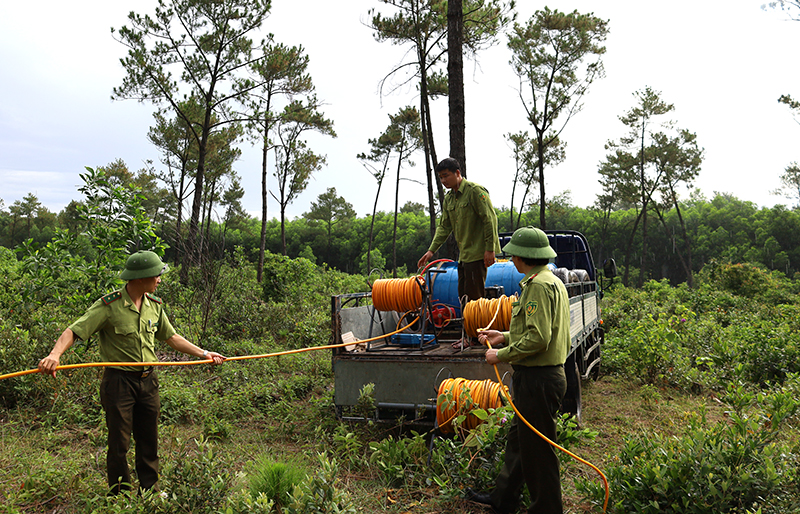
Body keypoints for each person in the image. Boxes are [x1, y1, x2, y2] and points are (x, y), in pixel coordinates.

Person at [38, 250, 225, 494]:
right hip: (118, 383)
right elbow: (73, 331)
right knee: (119, 443)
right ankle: (120, 493)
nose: (159, 279)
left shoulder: (154, 306)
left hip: (149, 382)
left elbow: (171, 337)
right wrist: (55, 355)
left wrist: (203, 353)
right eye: (156, 275)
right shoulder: (108, 306)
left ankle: (149, 490)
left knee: (149, 439)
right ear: (140, 278)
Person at [469, 226, 569, 514]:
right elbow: (535, 331)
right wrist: (504, 335)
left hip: (539, 379)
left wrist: (499, 354)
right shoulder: (550, 280)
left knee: (538, 452)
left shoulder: (537, 286)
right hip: (539, 378)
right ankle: (504, 500)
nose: (511, 260)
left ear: (524, 256)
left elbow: (539, 339)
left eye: (514, 255)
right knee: (519, 443)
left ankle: (547, 509)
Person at [417, 157, 500, 346]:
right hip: (464, 256)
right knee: (463, 296)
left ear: (457, 173)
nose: (444, 181)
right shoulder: (449, 198)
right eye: (440, 178)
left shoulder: (475, 192)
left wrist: (490, 249)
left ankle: (475, 338)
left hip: (478, 254)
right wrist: (431, 251)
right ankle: (467, 336)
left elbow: (489, 220)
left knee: (475, 299)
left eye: (446, 176)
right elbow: (444, 227)